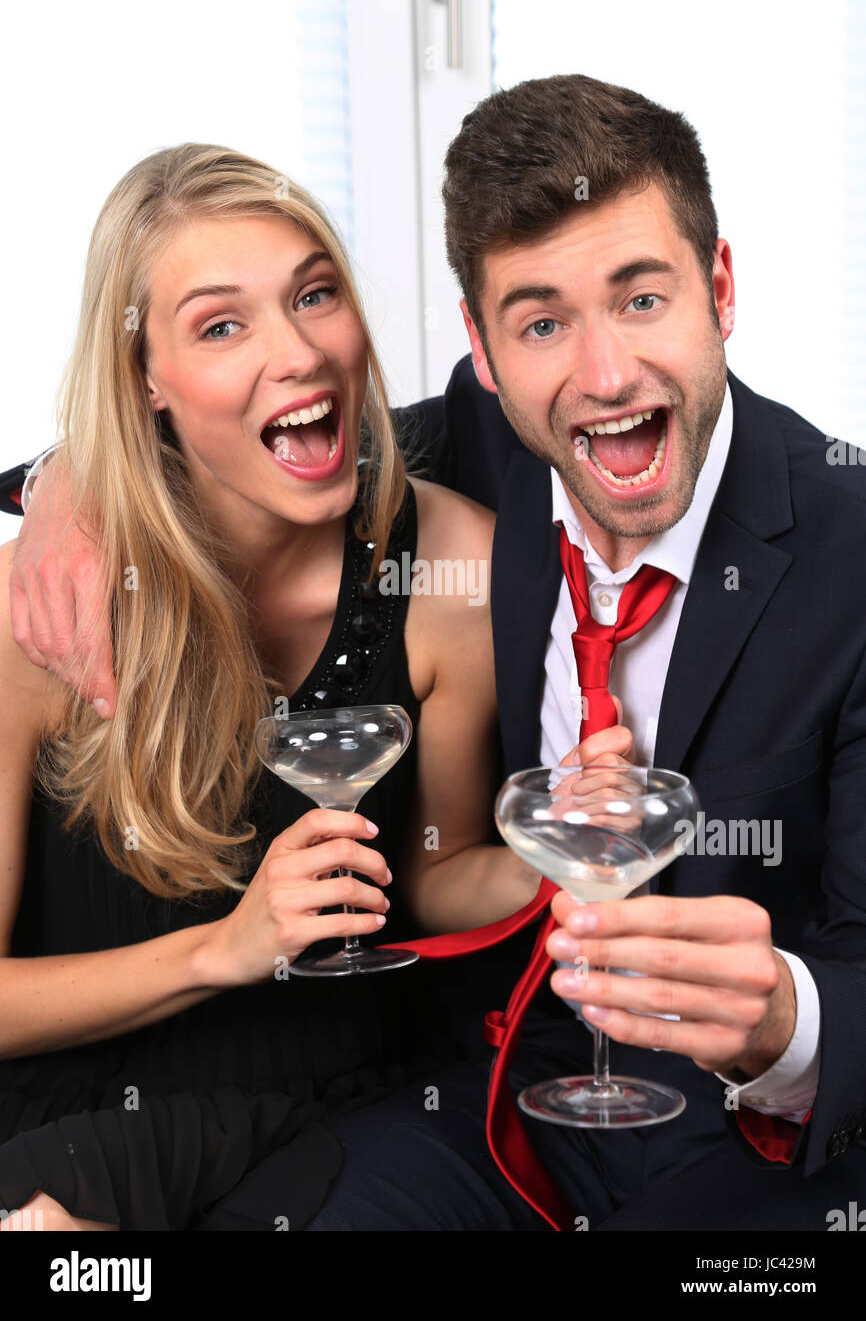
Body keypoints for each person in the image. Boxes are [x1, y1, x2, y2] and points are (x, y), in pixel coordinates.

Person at [8, 73, 866, 1233]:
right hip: (482, 1097)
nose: (603, 375)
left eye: (642, 298)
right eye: (542, 321)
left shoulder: (846, 552)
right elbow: (243, 444)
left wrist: (782, 1023)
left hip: (753, 1134)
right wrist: (70, 488)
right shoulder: (476, 447)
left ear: (717, 288)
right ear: (483, 349)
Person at [0, 141, 546, 1233]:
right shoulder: (45, 603)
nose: (296, 351)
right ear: (143, 376)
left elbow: (435, 875)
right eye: (220, 324)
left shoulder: (454, 570)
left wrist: (568, 853)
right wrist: (225, 949)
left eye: (314, 294)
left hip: (341, 1112)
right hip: (66, 1123)